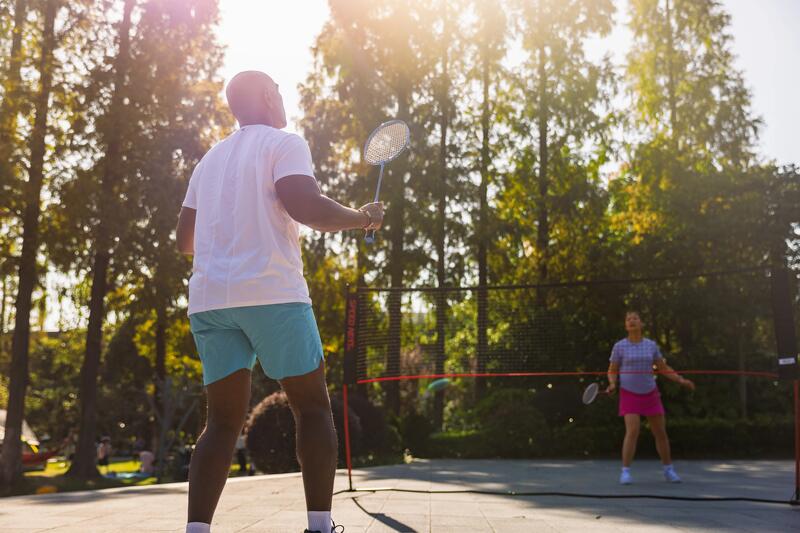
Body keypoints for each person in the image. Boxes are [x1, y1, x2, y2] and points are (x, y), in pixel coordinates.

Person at [175, 70, 384, 533]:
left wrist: (229, 231)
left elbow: (184, 241)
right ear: (270, 96)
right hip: (271, 293)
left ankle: (196, 531)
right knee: (311, 407)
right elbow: (305, 207)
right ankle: (319, 527)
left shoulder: (208, 161)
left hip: (210, 301)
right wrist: (362, 219)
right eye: (281, 92)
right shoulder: (284, 142)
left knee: (221, 424)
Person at [606, 310, 695, 485]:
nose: (632, 321)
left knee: (660, 433)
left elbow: (663, 367)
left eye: (635, 318)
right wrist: (612, 383)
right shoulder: (619, 346)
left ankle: (668, 470)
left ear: (641, 324)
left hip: (650, 393)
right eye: (628, 319)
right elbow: (612, 370)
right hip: (629, 393)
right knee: (632, 431)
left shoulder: (651, 345)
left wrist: (681, 380)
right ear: (626, 325)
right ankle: (625, 472)